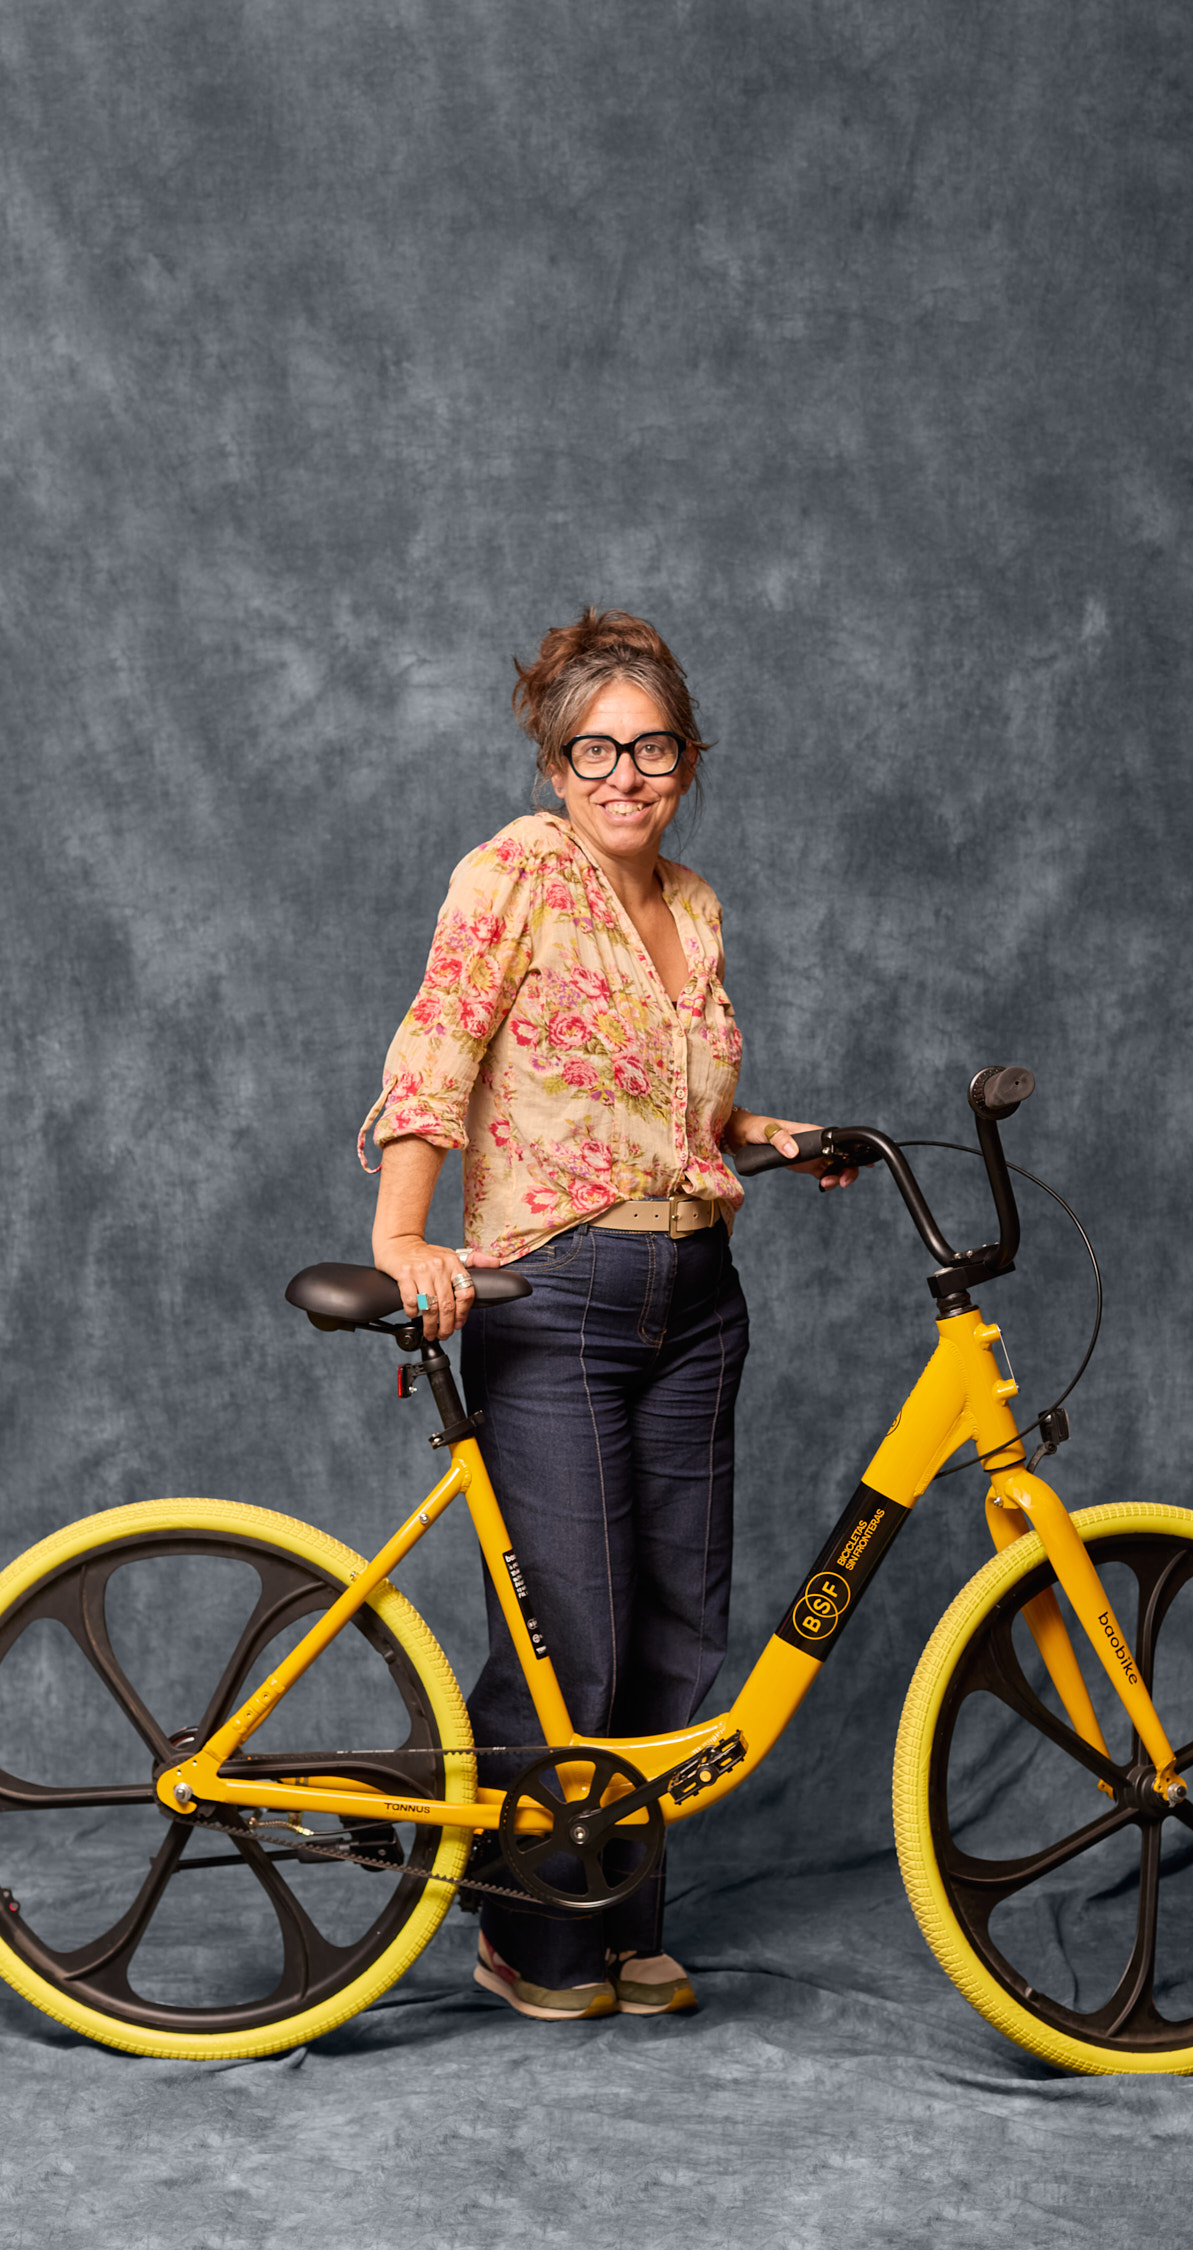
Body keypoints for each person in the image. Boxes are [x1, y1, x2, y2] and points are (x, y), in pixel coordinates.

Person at [360, 607, 850, 2022]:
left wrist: (758, 1132)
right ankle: (528, 1933)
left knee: (677, 1631)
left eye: (652, 745)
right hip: (558, 1299)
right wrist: (403, 1234)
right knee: (568, 1630)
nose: (625, 772)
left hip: (698, 1299)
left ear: (689, 757)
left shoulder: (692, 905)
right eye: (595, 748)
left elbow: (648, 1108)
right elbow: (442, 1042)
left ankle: (623, 1917)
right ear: (554, 760)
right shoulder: (516, 871)